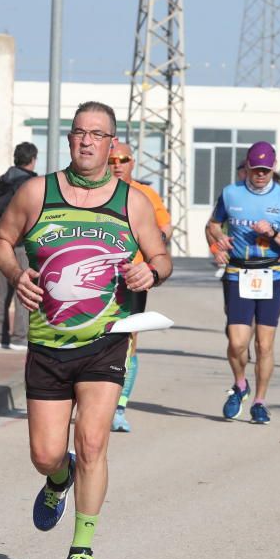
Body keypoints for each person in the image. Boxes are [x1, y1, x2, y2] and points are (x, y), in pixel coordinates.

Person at [0, 101, 172, 559]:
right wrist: (15, 272)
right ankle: (57, 479)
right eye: (79, 133)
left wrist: (148, 270)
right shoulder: (36, 192)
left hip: (105, 339)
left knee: (92, 442)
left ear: (112, 145)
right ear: (69, 140)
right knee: (46, 454)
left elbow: (161, 257)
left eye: (97, 134)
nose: (87, 141)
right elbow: (0, 239)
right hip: (48, 344)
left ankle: (82, 550)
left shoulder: (132, 202)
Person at [206, 141, 280, 425]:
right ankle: (240, 384)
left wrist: (273, 232)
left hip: (272, 273)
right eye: (256, 169)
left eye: (265, 170)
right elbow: (212, 225)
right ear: (247, 166)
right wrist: (217, 244)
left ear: (273, 169)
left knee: (264, 344)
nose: (260, 174)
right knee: (237, 343)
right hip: (238, 273)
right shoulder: (230, 193)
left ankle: (260, 402)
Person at [105, 142, 172, 433]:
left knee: (128, 341)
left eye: (124, 159)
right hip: (99, 278)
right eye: (112, 159)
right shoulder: (95, 193)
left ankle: (119, 406)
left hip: (133, 279)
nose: (117, 164)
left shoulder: (145, 194)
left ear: (133, 163)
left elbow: (165, 227)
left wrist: (150, 247)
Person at [0, 142, 38, 350]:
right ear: (33, 159)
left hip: (0, 239)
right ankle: (20, 337)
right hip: (22, 241)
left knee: (1, 289)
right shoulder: (31, 183)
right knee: (23, 286)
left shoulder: (4, 180)